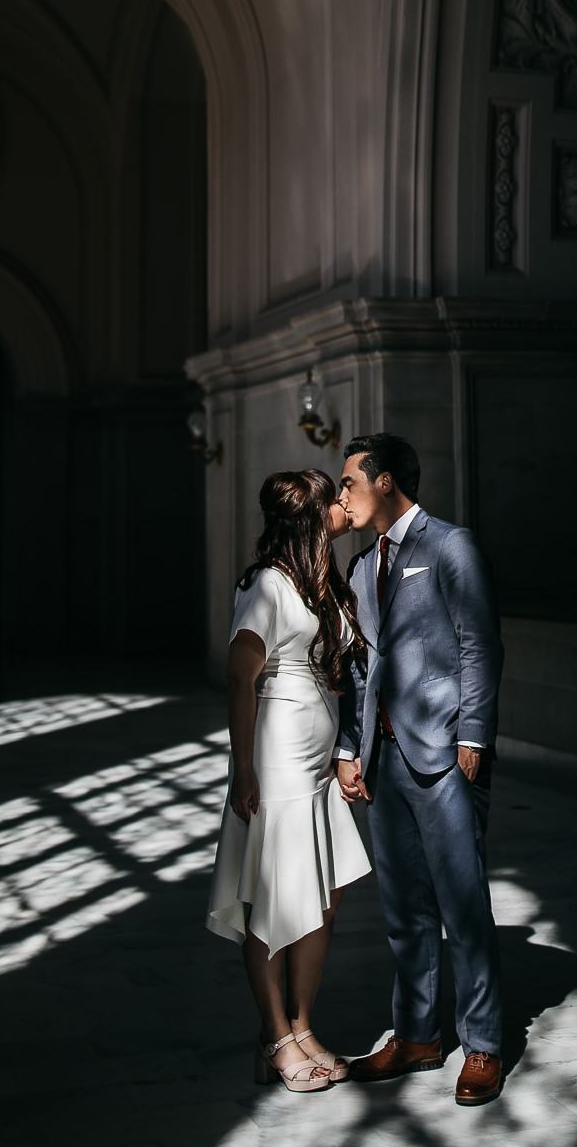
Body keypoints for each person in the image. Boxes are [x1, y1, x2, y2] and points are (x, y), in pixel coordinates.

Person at [335, 433, 506, 1106]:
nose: (342, 493)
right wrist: (350, 748)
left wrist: (474, 736)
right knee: (404, 911)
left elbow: (480, 645)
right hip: (383, 762)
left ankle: (485, 1044)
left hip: (443, 758)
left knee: (463, 906)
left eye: (349, 481)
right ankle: (417, 1035)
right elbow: (356, 668)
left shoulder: (449, 546)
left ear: (383, 482)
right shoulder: (359, 566)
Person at [206, 468, 372, 1093]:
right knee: (272, 896)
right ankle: (274, 1034)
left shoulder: (319, 581)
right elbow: (238, 677)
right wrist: (242, 767)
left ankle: (302, 1026)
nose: (341, 504)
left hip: (317, 763)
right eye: (332, 498)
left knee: (321, 897)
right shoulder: (268, 587)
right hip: (275, 762)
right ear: (308, 518)